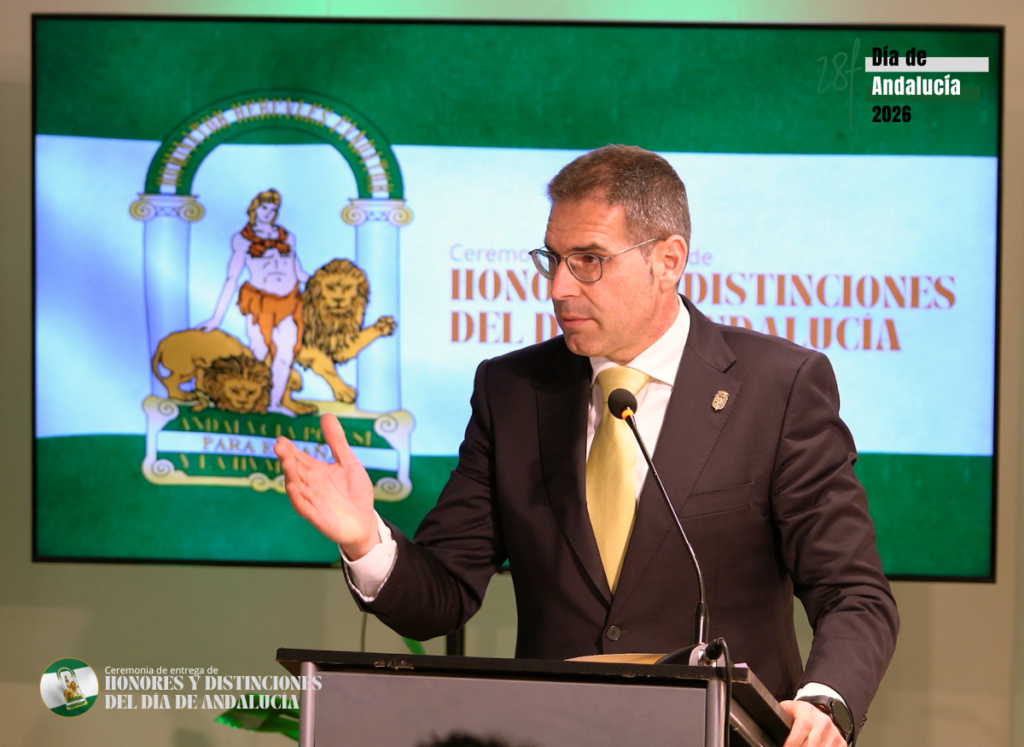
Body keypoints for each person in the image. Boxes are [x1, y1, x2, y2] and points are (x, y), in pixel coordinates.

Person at [275, 146, 898, 747]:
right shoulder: (513, 390)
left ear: (668, 261)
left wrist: (826, 702)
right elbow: (442, 596)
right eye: (552, 259)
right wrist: (365, 539)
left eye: (589, 260)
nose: (558, 287)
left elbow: (853, 593)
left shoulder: (777, 387)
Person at [198, 188, 310, 416]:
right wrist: (216, 318)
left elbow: (299, 272)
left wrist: (320, 284)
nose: (269, 213)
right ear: (254, 209)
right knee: (258, 354)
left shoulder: (287, 237)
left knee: (286, 355)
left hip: (290, 301)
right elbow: (232, 278)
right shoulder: (242, 240)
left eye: (274, 209)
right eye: (264, 208)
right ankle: (253, 402)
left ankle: (274, 404)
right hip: (260, 304)